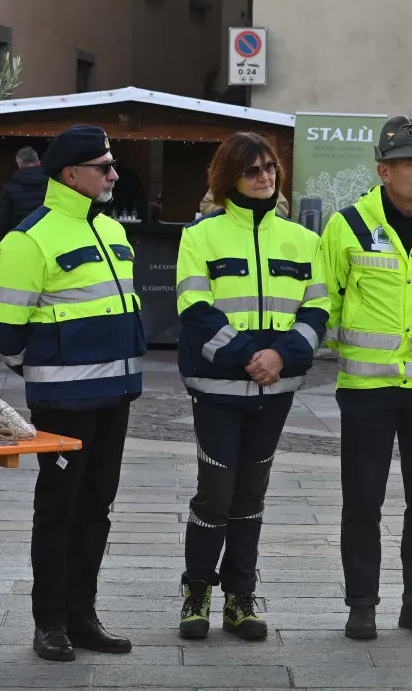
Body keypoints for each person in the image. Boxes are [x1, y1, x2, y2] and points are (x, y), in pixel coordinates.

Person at [0, 125, 146, 661]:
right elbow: (6, 334)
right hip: (64, 402)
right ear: (70, 174)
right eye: (103, 166)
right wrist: (51, 369)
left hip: (116, 396)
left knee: (97, 509)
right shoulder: (28, 239)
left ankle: (84, 616)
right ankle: (50, 622)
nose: (113, 174)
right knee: (58, 510)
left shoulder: (113, 232)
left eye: (113, 165)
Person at [318, 115, 412, 640]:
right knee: (363, 499)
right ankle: (362, 604)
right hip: (367, 388)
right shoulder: (348, 225)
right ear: (384, 171)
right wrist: (339, 350)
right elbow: (326, 298)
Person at [174, 133, 329, 641]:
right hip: (217, 388)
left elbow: (317, 309)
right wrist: (250, 359)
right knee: (215, 493)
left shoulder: (306, 241)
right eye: (252, 170)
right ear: (228, 178)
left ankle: (240, 597)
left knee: (251, 495)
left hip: (275, 391)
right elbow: (195, 312)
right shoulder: (200, 236)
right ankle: (197, 590)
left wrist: (282, 356)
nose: (264, 177)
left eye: (270, 169)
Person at [0, 146, 48, 243]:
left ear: (19, 164)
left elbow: (1, 223)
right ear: (39, 162)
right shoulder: (51, 185)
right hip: (46, 241)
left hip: (18, 242)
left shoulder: (8, 189)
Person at [200, 186, 290, 218]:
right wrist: (232, 212)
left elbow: (283, 207)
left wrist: (260, 212)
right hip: (227, 235)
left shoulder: (265, 180)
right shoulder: (223, 181)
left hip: (262, 236)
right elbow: (206, 206)